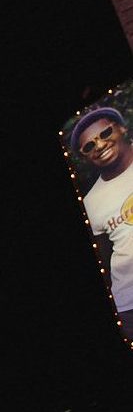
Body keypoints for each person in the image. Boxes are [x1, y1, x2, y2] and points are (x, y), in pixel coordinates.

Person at [70, 105, 133, 341]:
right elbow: (104, 260)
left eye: (105, 133)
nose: (99, 145)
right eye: (89, 146)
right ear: (85, 156)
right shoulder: (91, 203)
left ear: (121, 128)